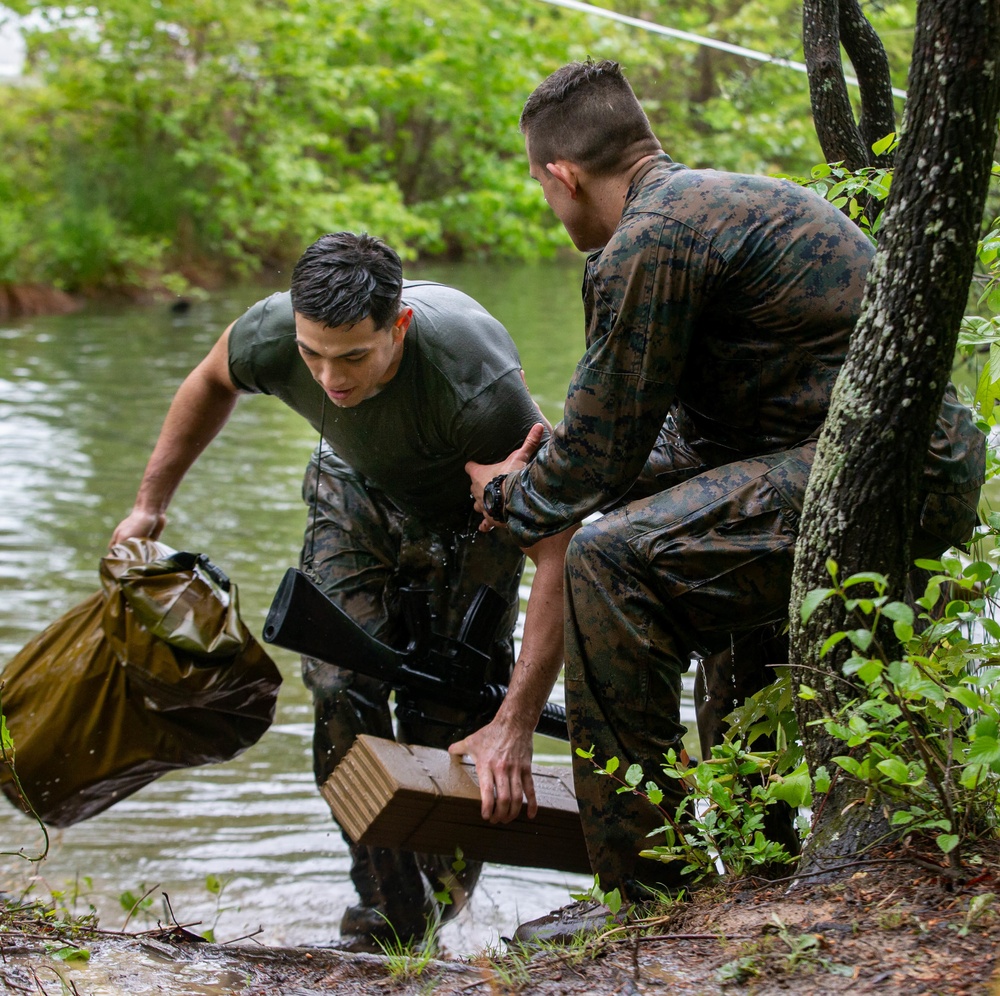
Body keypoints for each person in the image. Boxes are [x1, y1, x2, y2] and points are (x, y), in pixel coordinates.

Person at [467, 59, 985, 923]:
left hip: (881, 473)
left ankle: (649, 899)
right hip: (891, 463)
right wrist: (566, 465)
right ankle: (761, 858)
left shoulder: (648, 239)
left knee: (608, 563)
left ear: (561, 174)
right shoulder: (710, 200)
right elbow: (669, 438)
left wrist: (506, 497)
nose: (551, 207)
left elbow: (593, 467)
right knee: (673, 556)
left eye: (543, 189)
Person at [111, 232, 574, 949]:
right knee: (339, 688)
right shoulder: (274, 331)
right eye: (312, 354)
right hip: (352, 488)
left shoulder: (476, 387)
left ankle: (435, 904)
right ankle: (385, 917)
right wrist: (150, 504)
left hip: (474, 514)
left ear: (400, 327)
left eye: (353, 356)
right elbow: (209, 380)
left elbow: (557, 553)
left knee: (451, 719)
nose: (330, 376)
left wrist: (514, 722)